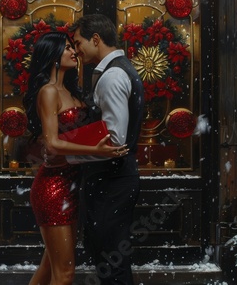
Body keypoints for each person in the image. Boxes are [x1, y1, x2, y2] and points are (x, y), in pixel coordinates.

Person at [22, 31, 128, 285]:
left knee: (50, 266)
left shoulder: (72, 91)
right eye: (67, 47)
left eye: (73, 46)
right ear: (52, 55)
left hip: (74, 184)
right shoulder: (48, 92)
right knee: (66, 272)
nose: (74, 51)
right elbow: (52, 142)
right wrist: (98, 151)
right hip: (53, 188)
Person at [68, 14, 145, 285]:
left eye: (78, 43)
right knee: (110, 258)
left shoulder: (112, 75)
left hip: (112, 179)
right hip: (114, 178)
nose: (77, 50)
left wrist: (68, 154)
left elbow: (114, 141)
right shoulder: (118, 70)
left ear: (96, 39)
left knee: (111, 260)